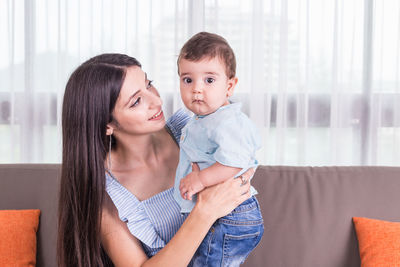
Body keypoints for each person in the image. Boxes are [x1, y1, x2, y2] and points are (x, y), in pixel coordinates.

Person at [57, 53, 255, 267]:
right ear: (107, 124)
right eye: (136, 101)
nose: (157, 101)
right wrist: (204, 212)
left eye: (148, 85)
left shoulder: (189, 130)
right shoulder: (106, 197)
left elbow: (241, 171)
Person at [173, 32, 264, 266]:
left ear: (230, 86)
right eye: (187, 80)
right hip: (221, 215)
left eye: (209, 80)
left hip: (230, 216)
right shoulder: (204, 119)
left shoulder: (226, 122)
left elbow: (235, 162)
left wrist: (200, 180)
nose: (196, 89)